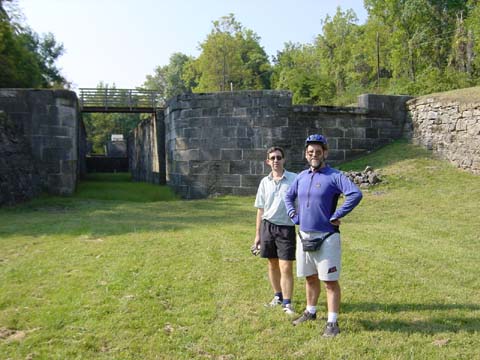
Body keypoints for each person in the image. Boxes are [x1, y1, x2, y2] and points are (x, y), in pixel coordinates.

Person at [284, 134, 362, 337]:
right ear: (306, 154)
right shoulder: (301, 176)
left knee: (329, 281)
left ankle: (332, 323)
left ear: (325, 153)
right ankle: (310, 312)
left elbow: (355, 193)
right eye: (310, 152)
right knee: (310, 278)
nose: (314, 155)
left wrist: (337, 214)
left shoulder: (334, 175)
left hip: (327, 236)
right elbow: (288, 196)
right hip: (304, 235)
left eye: (318, 152)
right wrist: (293, 214)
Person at [253, 146, 297, 315]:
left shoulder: (294, 179)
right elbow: (260, 209)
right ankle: (278, 296)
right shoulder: (265, 182)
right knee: (272, 264)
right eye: (273, 158)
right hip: (267, 227)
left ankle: (287, 303)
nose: (276, 161)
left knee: (285, 266)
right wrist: (257, 235)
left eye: (279, 157)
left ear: (284, 160)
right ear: (268, 162)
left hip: (286, 228)